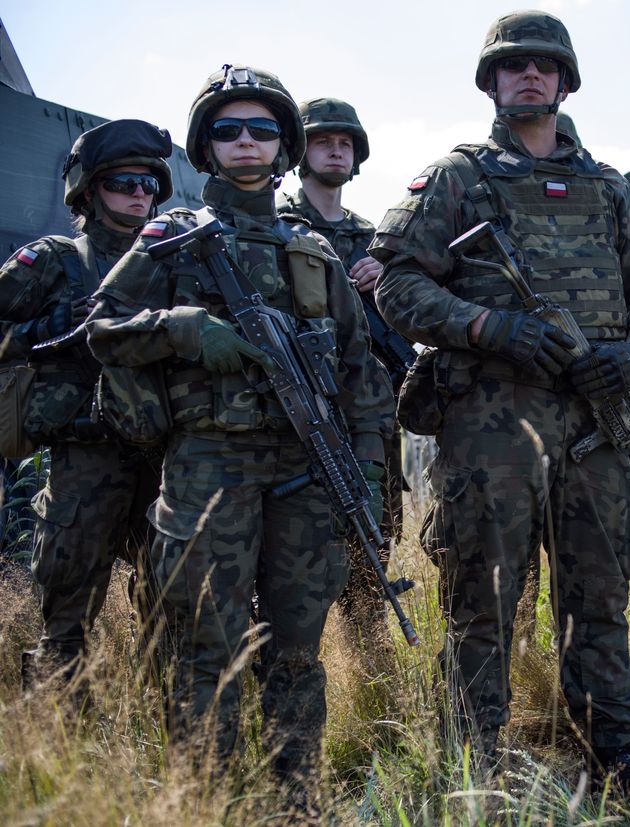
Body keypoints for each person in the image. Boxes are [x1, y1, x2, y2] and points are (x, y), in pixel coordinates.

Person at [368, 12, 630, 801]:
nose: (530, 76)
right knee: (483, 600)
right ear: (493, 82)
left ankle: (615, 751)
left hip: (594, 426)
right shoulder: (456, 180)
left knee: (599, 599)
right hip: (492, 428)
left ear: (566, 80)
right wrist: (488, 326)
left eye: (545, 65)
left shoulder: (609, 188)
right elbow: (396, 283)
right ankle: (473, 763)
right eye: (514, 66)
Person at [86, 64, 393, 815]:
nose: (246, 142)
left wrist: (370, 477)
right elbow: (99, 328)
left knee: (296, 650)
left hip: (303, 471)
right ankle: (212, 799)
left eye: (261, 129)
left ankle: (297, 799)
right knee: (207, 648)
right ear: (206, 146)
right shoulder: (172, 238)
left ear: (283, 145)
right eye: (229, 130)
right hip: (209, 466)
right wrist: (184, 329)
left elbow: (360, 377)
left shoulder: (312, 249)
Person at [1, 119, 173, 693]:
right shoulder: (55, 260)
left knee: (168, 608)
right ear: (89, 189)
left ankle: (164, 737)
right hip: (84, 460)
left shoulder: (174, 262)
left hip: (162, 461)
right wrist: (48, 328)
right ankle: (55, 748)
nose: (138, 194)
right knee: (66, 616)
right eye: (124, 181)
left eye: (149, 184)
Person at [277, 96, 403, 658]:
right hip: (299, 412)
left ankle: (368, 663)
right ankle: (293, 657)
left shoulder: (373, 236)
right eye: (323, 140)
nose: (335, 149)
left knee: (373, 536)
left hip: (368, 411)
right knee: (294, 545)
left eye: (345, 143)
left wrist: (390, 279)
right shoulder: (276, 228)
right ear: (300, 152)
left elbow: (401, 328)